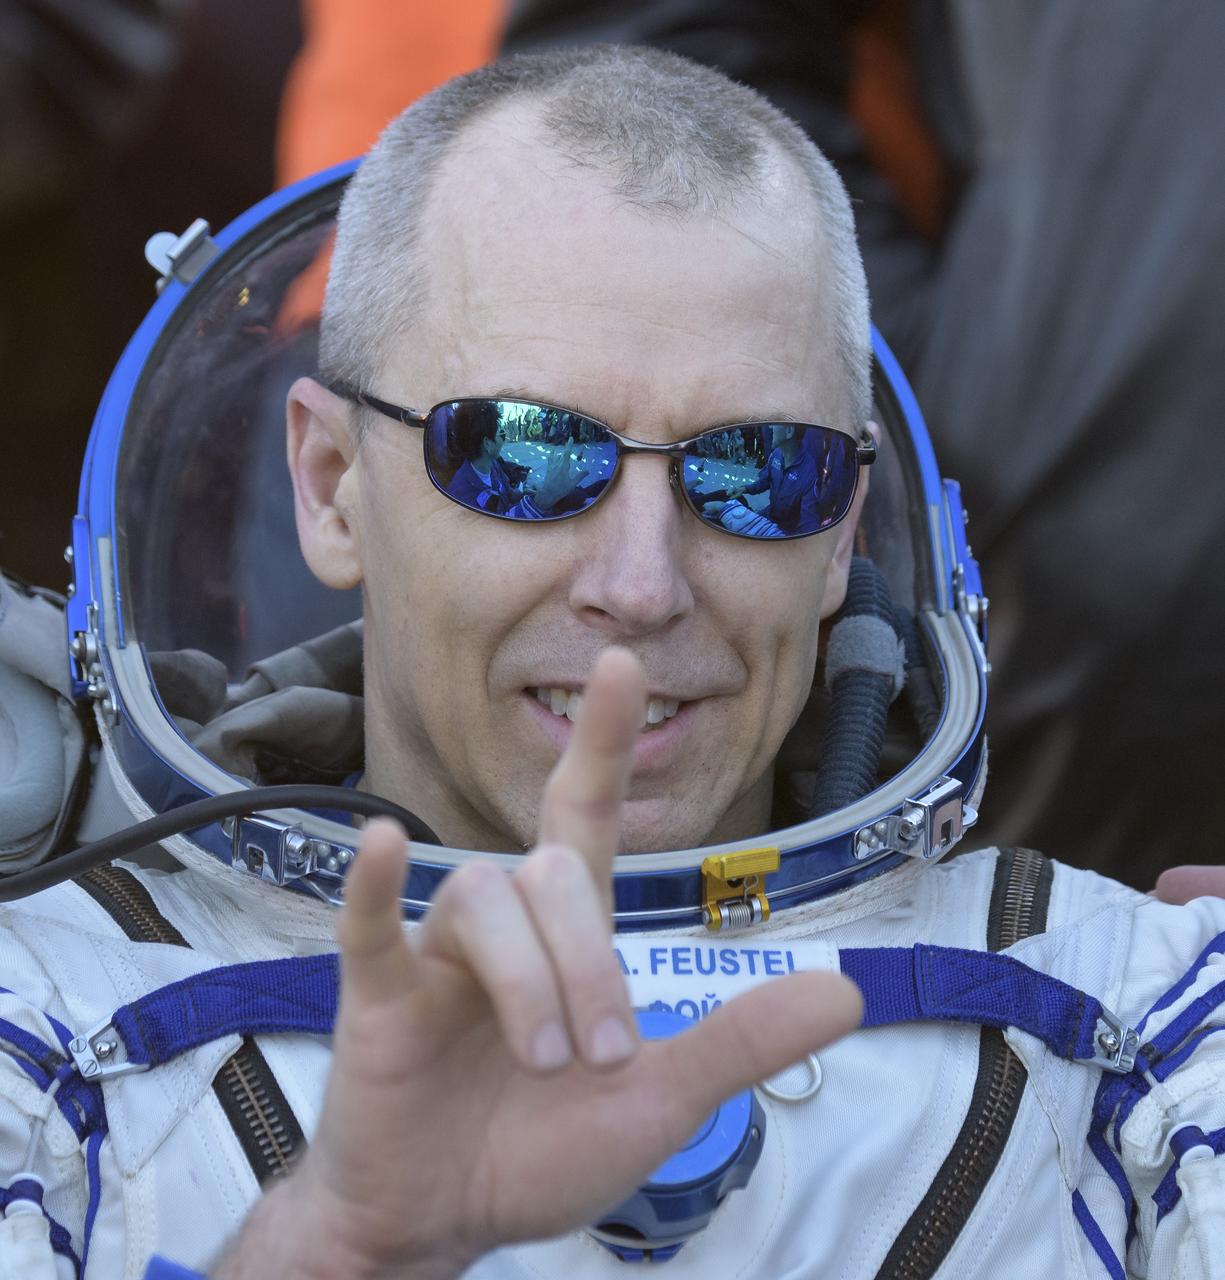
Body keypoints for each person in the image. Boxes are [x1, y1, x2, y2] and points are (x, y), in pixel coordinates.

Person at [0, 45, 1222, 1280]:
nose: (640, 585)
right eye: (526, 454)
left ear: (844, 524)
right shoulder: (50, 1028)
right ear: (330, 486)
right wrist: (329, 1250)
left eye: (756, 469)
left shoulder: (1132, 1013)